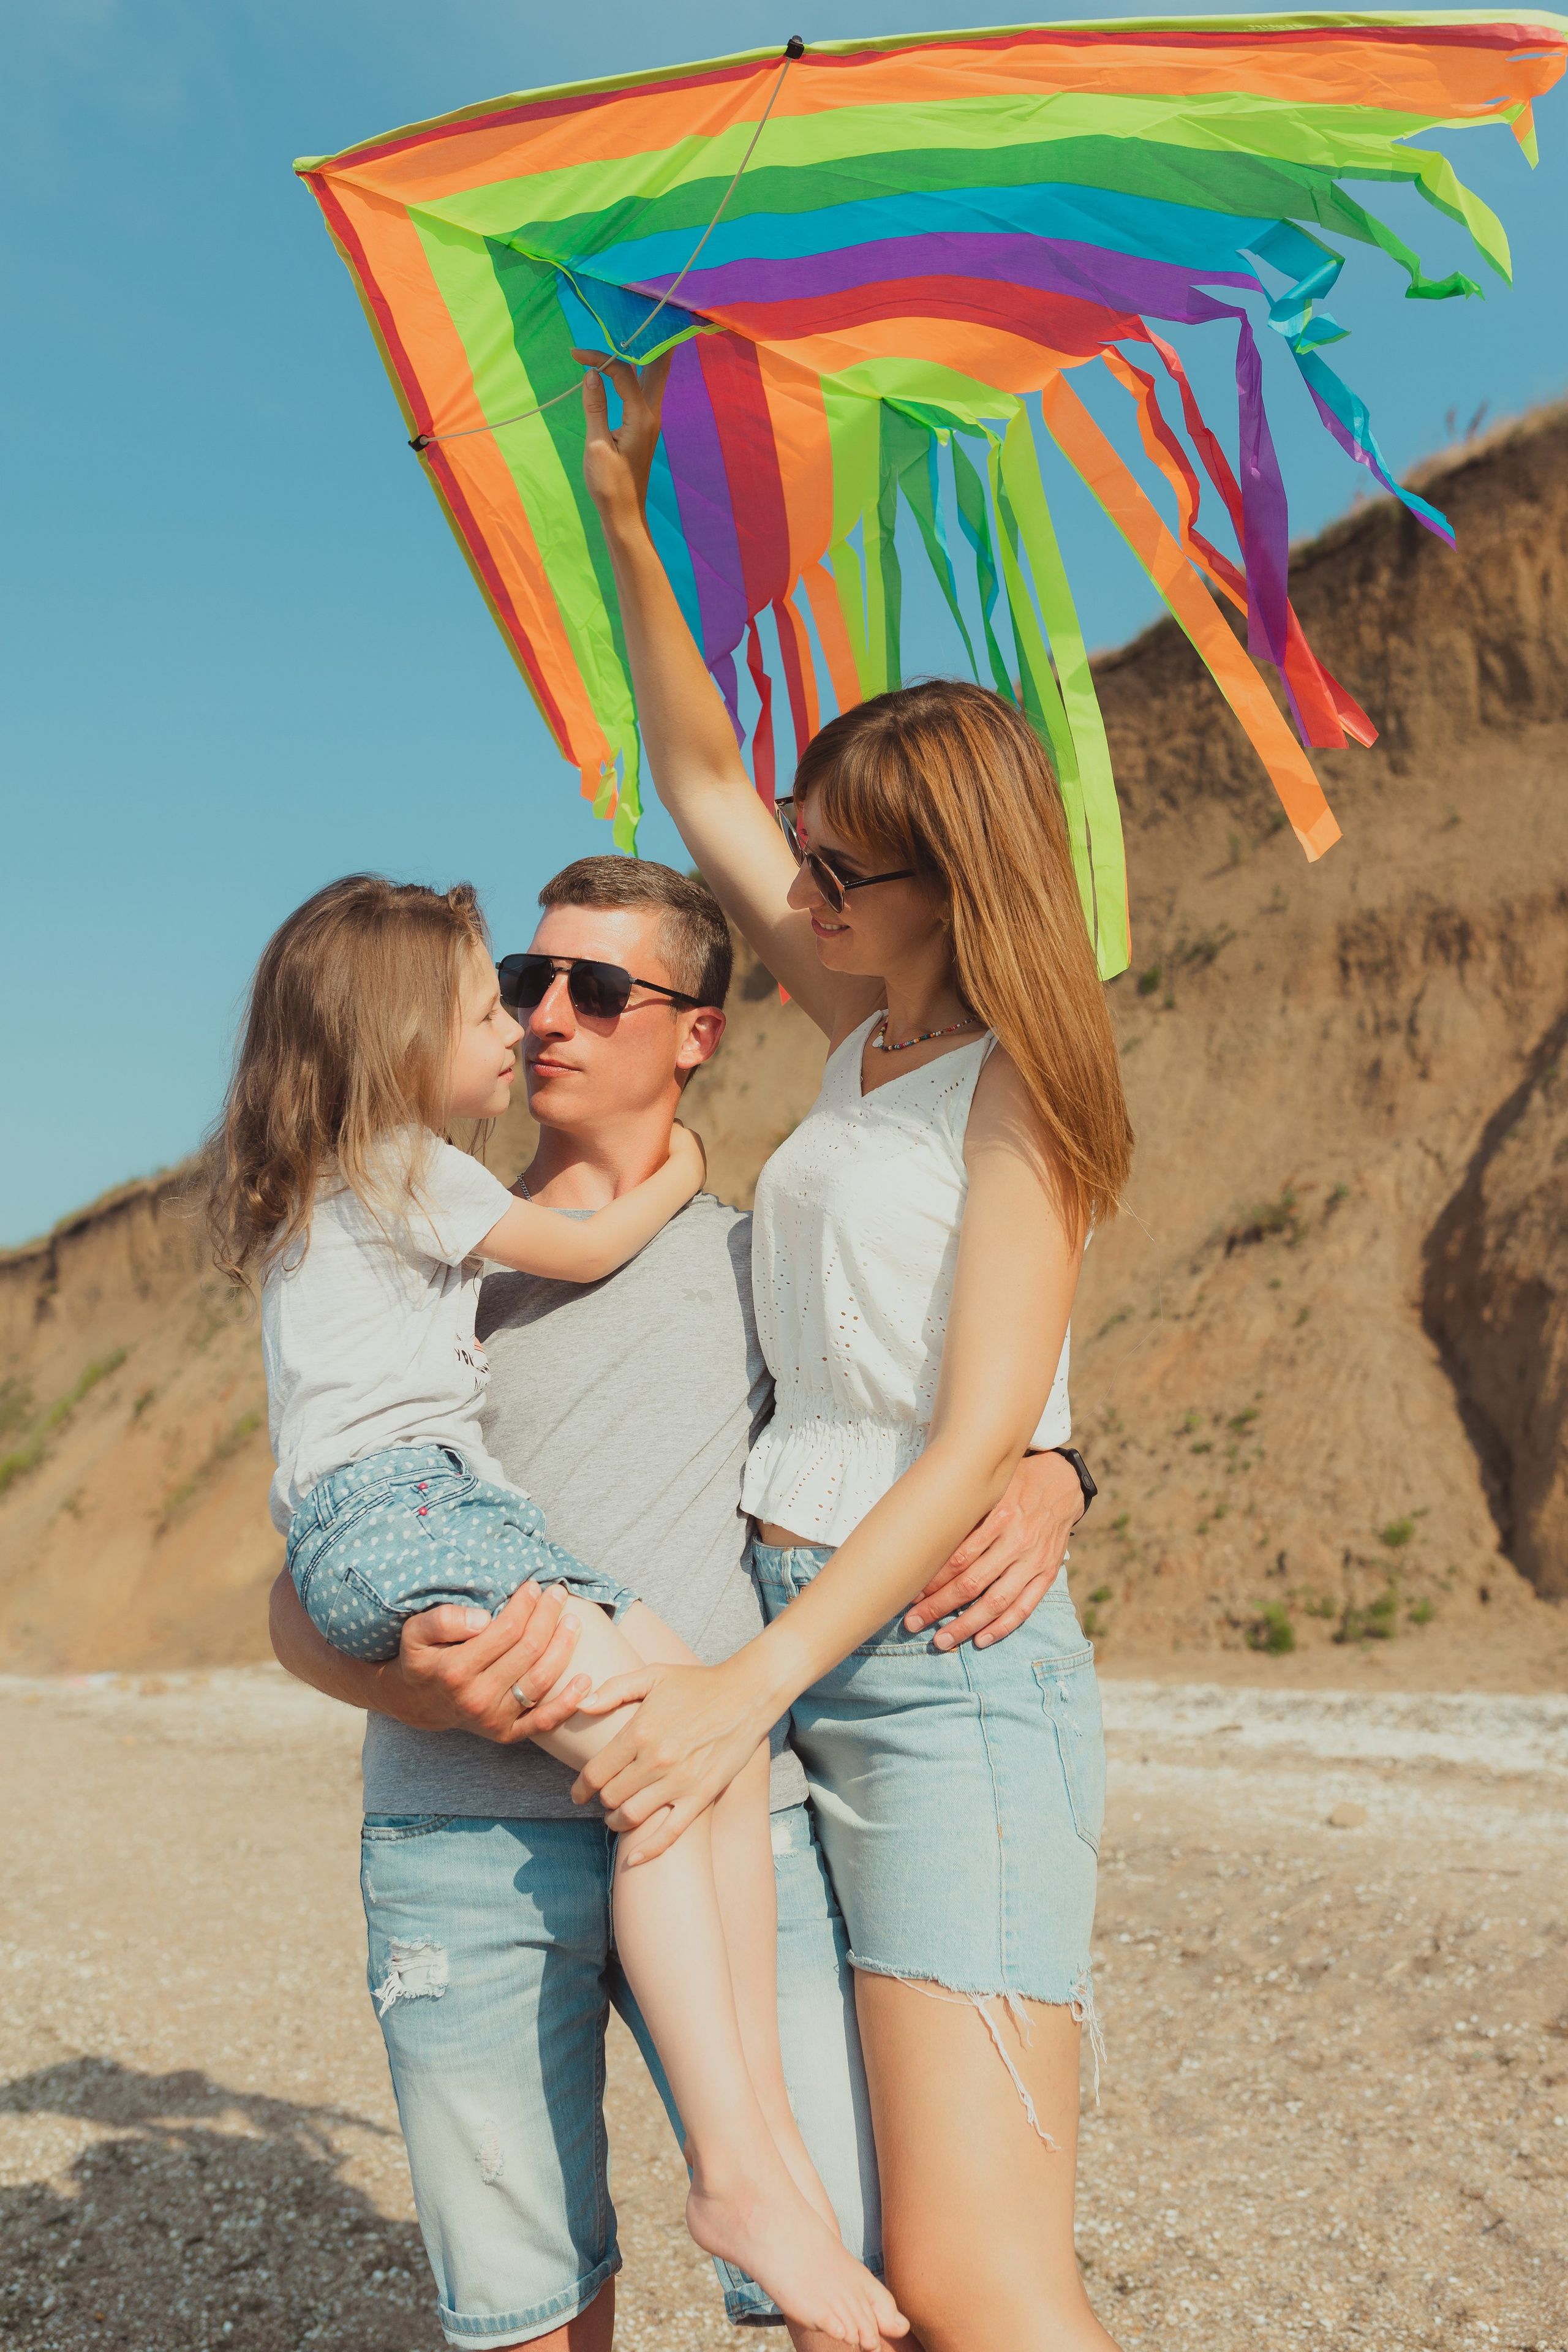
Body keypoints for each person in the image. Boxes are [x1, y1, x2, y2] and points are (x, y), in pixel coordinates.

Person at [269, 854, 1091, 2351]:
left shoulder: (753, 1250)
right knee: (526, 2312)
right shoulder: (416, 1251)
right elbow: (299, 1583)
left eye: (597, 989)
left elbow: (915, 1417)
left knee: (848, 2293)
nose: (545, 1021)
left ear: (698, 1031)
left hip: (732, 1821)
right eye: (523, 985)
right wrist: (409, 1684)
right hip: (461, 1842)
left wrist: (1053, 1468)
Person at [571, 350, 1133, 2352]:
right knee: (837, 2274)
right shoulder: (863, 1029)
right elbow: (702, 781)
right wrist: (631, 517)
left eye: (838, 871)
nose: (793, 892)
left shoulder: (1017, 1088)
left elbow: (984, 1420)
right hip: (783, 1626)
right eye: (807, 861)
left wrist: (750, 1693)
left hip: (934, 1679)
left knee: (982, 2279)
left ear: (948, 878)